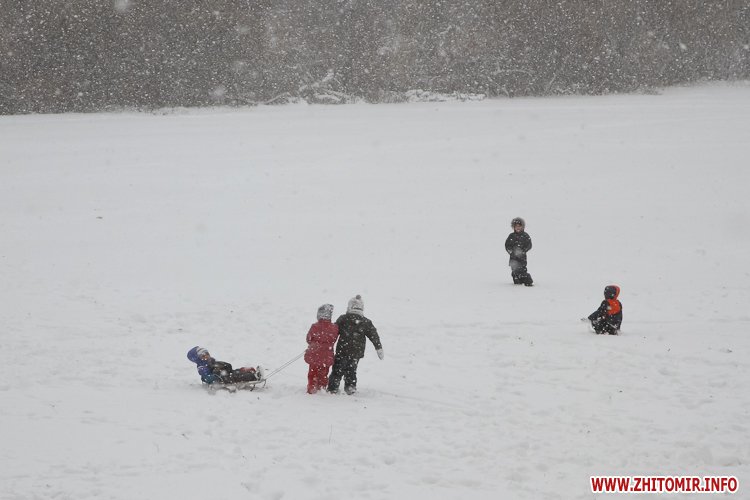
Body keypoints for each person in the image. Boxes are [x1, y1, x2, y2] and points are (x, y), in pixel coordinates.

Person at [327, 295, 384, 395]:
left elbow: (333, 332)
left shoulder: (343, 319)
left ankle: (333, 388)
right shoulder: (366, 322)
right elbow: (374, 335)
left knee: (337, 369)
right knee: (351, 370)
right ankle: (350, 386)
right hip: (356, 352)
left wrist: (327, 343)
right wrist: (378, 347)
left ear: (349, 307)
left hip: (342, 350)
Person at [304, 304, 339, 394]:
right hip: (327, 355)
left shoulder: (314, 326)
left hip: (314, 355)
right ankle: (321, 386)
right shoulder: (334, 327)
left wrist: (314, 344)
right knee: (324, 373)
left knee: (312, 372)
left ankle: (312, 386)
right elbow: (334, 339)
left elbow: (308, 339)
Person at [186, 346, 263, 385]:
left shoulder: (210, 361)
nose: (206, 356)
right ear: (198, 359)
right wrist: (216, 377)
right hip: (220, 378)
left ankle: (250, 371)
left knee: (236, 371)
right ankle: (254, 376)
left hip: (223, 373)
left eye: (207, 354)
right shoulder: (202, 367)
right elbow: (207, 378)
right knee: (236, 377)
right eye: (203, 356)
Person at [504, 217, 533, 286]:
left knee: (522, 269)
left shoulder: (525, 236)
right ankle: (517, 279)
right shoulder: (511, 236)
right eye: (516, 226)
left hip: (522, 257)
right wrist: (511, 251)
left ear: (522, 227)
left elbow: (529, 245)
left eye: (519, 226)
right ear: (513, 227)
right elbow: (507, 245)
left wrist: (523, 251)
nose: (518, 228)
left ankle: (527, 280)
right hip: (513, 257)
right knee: (514, 270)